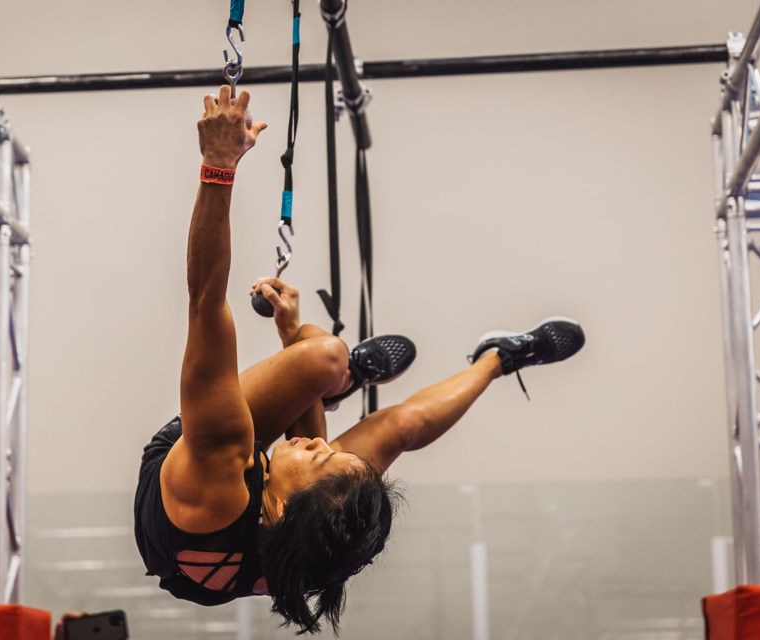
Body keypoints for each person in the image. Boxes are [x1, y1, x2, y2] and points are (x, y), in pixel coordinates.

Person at [133, 85, 585, 634]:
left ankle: (337, 375)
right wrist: (285, 336)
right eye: (335, 454)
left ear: (274, 508)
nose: (326, 444)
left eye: (321, 459)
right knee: (396, 428)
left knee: (321, 356)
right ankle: (499, 357)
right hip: (280, 521)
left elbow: (206, 302)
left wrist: (218, 166)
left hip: (189, 497)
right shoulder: (330, 534)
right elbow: (316, 444)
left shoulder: (218, 465)